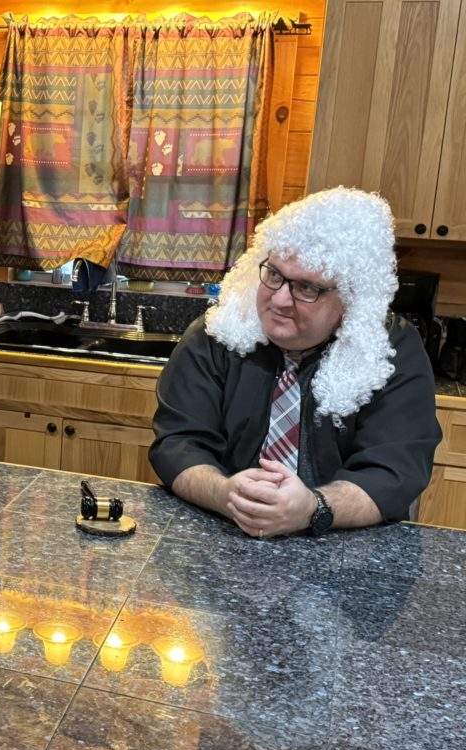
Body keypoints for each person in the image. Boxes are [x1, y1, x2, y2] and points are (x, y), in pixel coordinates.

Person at [149, 186, 442, 539]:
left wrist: (313, 508)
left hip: (343, 548)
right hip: (222, 535)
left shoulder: (388, 352)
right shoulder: (217, 334)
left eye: (306, 288)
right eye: (274, 275)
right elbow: (178, 443)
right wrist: (226, 494)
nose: (279, 299)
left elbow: (394, 470)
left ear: (350, 299)